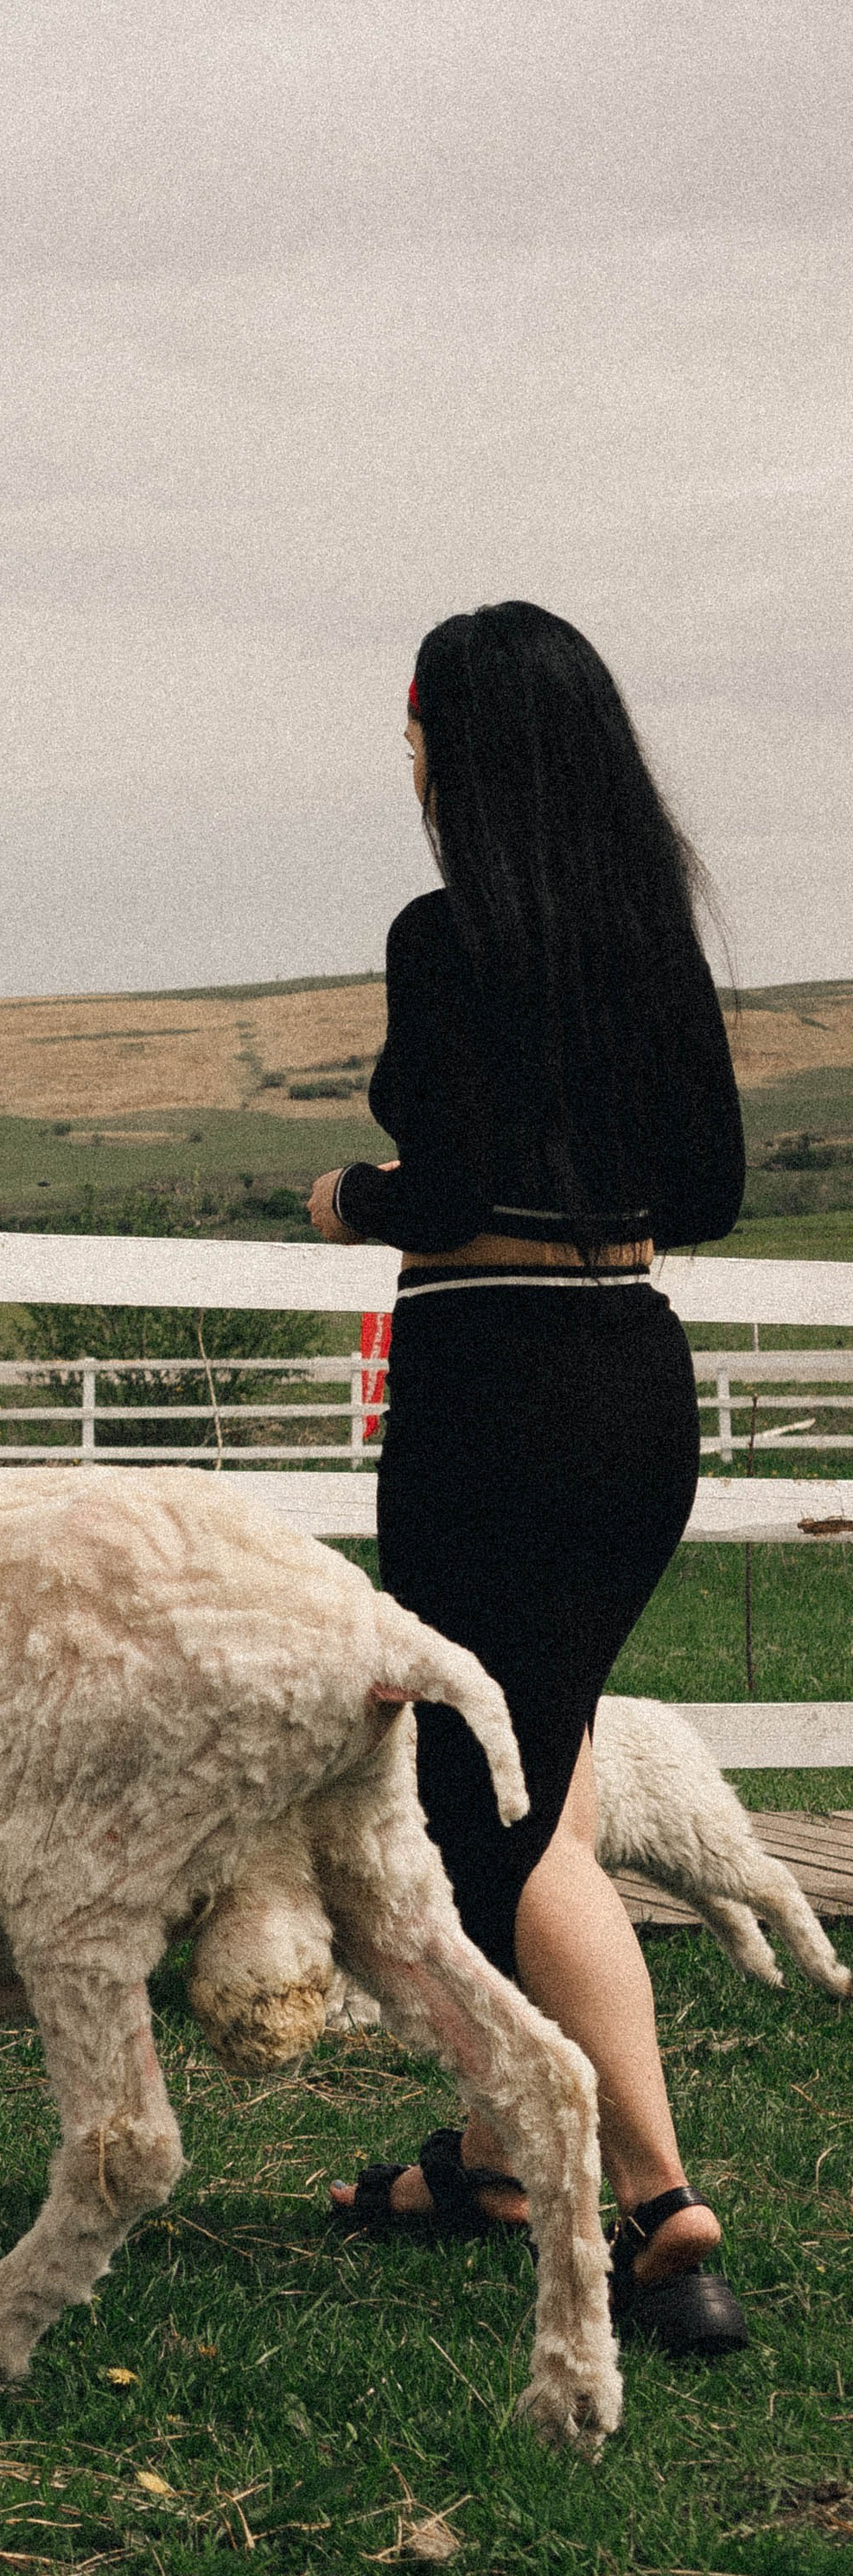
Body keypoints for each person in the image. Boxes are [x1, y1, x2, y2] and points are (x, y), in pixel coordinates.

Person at [309, 603, 748, 2356]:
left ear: (451, 747)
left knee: (477, 1805)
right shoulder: (652, 945)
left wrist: (350, 1197)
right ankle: (488, 2165)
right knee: (535, 1771)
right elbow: (707, 1192)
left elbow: (448, 1179)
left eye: (410, 720)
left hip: (490, 1385)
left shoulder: (442, 935)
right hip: (633, 1383)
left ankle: (654, 2202)